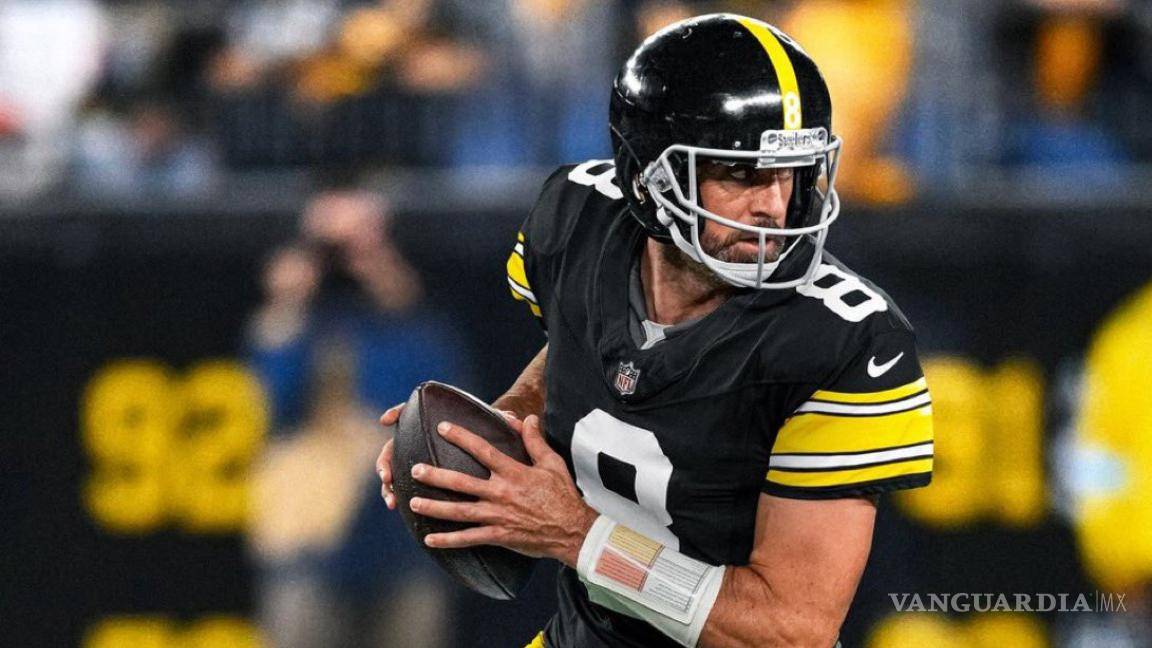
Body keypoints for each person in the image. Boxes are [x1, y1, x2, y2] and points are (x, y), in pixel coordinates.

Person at [377, 14, 934, 647]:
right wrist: (492, 441)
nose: (775, 207)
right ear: (648, 176)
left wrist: (575, 534)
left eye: (793, 173)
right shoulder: (576, 218)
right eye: (742, 174)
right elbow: (574, 343)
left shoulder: (846, 341)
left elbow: (790, 632)